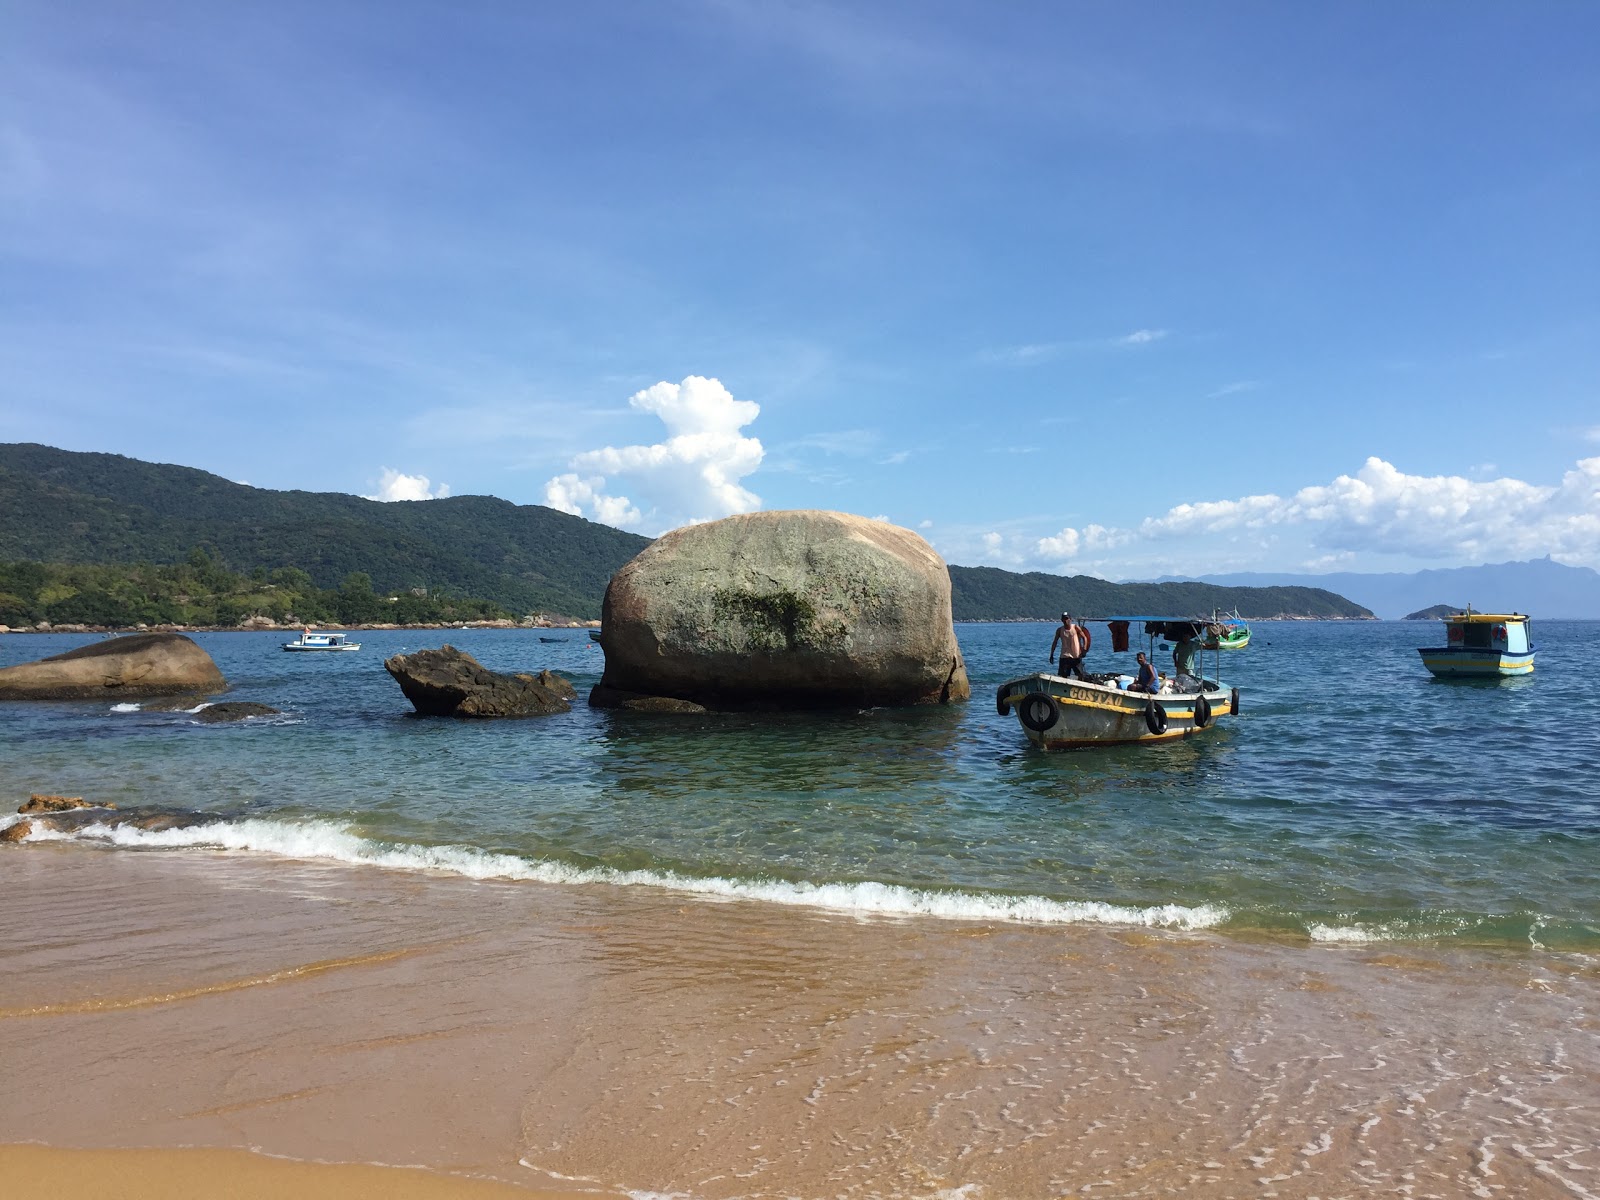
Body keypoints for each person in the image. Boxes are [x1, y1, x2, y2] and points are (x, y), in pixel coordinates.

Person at [1048, 612, 1088, 680]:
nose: (1065, 620)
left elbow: (1085, 638)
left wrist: (1084, 649)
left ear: (1070, 619)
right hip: (1065, 656)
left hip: (1076, 656)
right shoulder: (1060, 630)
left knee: (1080, 675)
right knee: (1063, 676)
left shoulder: (1075, 628)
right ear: (1061, 620)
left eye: (1066, 618)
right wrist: (1051, 654)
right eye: (1063, 619)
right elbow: (1055, 642)